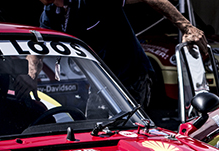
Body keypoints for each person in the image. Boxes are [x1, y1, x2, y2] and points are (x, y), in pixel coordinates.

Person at [37, 0, 208, 108]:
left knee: (126, 131)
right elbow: (38, 47)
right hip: (102, 82)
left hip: (132, 75)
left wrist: (187, 27)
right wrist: (29, 77)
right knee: (94, 128)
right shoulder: (51, 13)